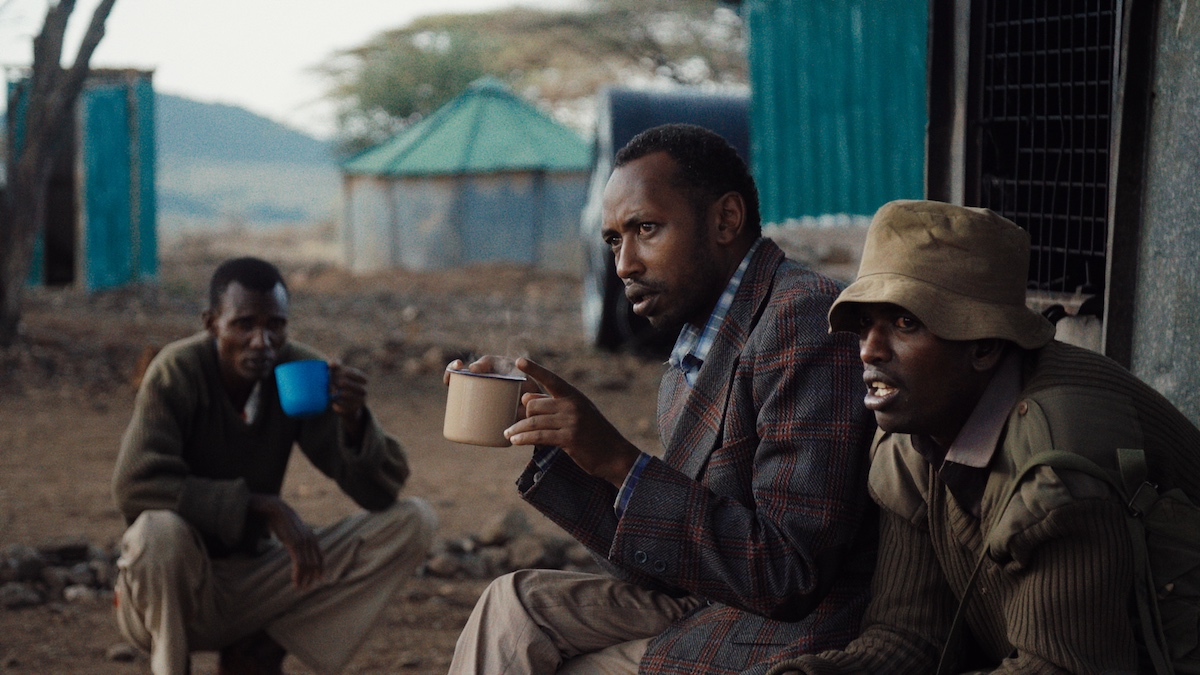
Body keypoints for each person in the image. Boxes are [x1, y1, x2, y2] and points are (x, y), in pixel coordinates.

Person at [447, 124, 878, 675]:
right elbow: (664, 564)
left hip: (792, 633)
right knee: (514, 604)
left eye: (646, 228)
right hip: (720, 602)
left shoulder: (801, 319)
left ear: (726, 219)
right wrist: (563, 440)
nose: (624, 263)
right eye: (612, 240)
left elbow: (790, 573)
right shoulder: (692, 352)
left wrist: (622, 464)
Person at [767, 200, 1200, 675]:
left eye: (905, 323)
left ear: (985, 347)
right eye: (865, 323)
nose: (870, 348)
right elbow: (909, 636)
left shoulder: (1054, 467)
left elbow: (1060, 668)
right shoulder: (908, 437)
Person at [111, 257, 436, 675]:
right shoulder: (177, 371)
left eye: (275, 326)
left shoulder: (296, 372)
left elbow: (379, 493)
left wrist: (354, 422)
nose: (262, 341)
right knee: (158, 532)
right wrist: (260, 506)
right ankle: (172, 666)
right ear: (211, 324)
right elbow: (135, 485)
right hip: (172, 593)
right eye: (244, 325)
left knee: (413, 521)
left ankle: (261, 649)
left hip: (252, 580)